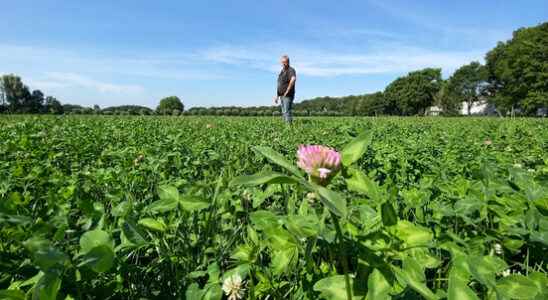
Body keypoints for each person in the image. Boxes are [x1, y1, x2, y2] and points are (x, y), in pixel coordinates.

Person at [273, 55, 296, 123]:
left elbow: (293, 79)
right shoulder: (281, 72)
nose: (283, 63)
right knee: (283, 111)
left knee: (287, 111)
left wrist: (287, 91)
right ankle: (284, 126)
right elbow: (279, 84)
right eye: (282, 62)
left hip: (288, 95)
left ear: (288, 62)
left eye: (285, 62)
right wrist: (277, 96)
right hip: (281, 95)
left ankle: (288, 127)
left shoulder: (291, 70)